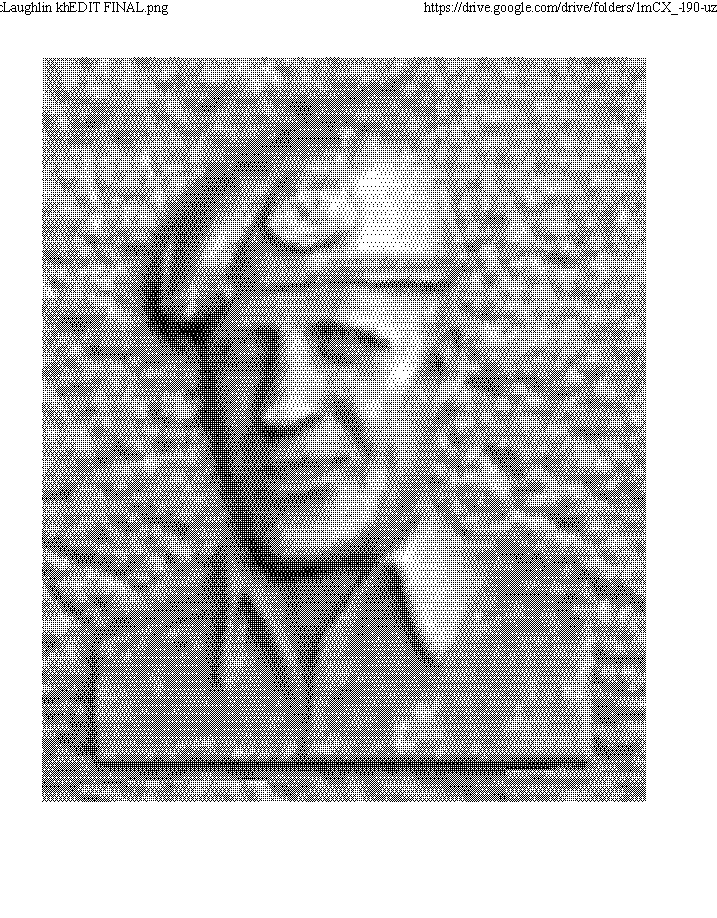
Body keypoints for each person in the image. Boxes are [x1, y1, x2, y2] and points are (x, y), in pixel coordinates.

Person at [88, 116, 594, 768]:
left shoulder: (543, 665)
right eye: (244, 354)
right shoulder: (137, 683)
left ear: (442, 372)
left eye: (346, 346)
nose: (284, 407)